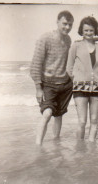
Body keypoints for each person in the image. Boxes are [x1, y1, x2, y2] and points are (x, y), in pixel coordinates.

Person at [30, 10, 74, 145]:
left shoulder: (68, 39)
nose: (67, 27)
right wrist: (38, 88)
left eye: (70, 25)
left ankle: (56, 144)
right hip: (48, 84)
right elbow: (35, 65)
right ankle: (38, 146)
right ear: (57, 22)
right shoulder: (45, 38)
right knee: (47, 113)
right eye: (64, 24)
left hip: (65, 84)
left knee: (59, 115)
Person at [67, 16, 98, 142]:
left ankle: (91, 151)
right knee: (82, 121)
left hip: (97, 88)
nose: (88, 33)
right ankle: (80, 148)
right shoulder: (76, 46)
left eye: (91, 30)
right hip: (79, 88)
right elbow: (69, 68)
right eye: (85, 30)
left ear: (95, 31)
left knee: (94, 121)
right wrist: (76, 79)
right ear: (81, 30)